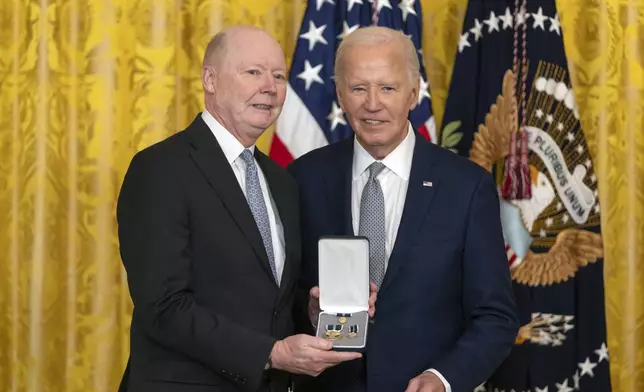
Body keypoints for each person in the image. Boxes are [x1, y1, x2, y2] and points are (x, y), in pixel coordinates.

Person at [116, 25, 362, 392]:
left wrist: (312, 314)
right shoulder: (161, 168)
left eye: (279, 75)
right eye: (253, 72)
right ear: (210, 80)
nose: (270, 86)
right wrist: (272, 353)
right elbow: (164, 307)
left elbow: (272, 301)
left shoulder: (281, 182)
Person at [288, 26, 520, 392]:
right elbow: (280, 297)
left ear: (413, 95)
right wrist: (310, 315)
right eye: (359, 88)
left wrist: (443, 379)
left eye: (388, 88)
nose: (372, 103)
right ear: (340, 95)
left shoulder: (467, 187)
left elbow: (496, 316)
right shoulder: (302, 178)